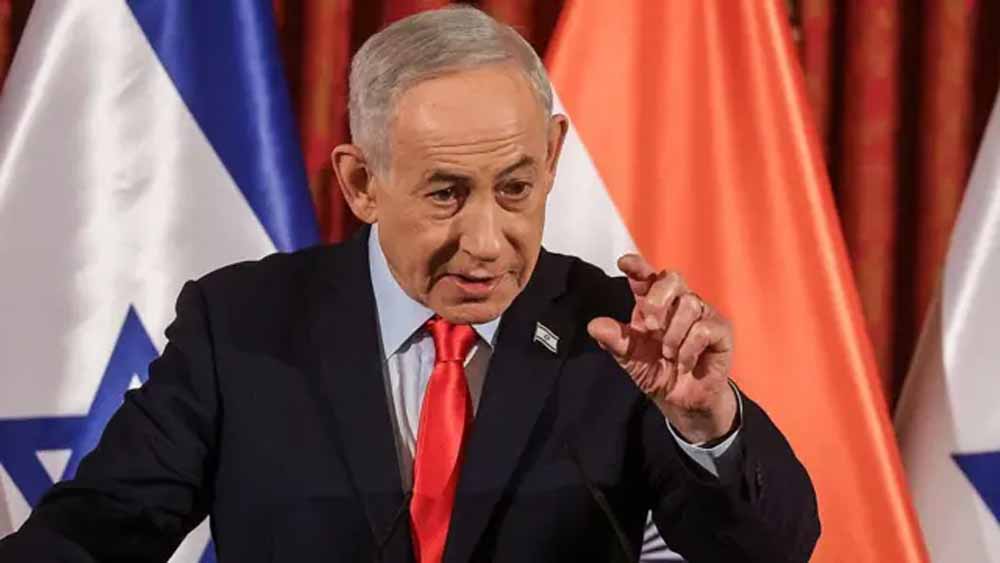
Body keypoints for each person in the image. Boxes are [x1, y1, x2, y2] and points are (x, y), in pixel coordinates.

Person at [0, 6, 818, 562]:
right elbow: (97, 530)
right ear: (361, 183)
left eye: (515, 188)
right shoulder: (241, 326)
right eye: (445, 194)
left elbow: (769, 550)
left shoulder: (617, 337)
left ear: (553, 157)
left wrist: (708, 423)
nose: (487, 242)